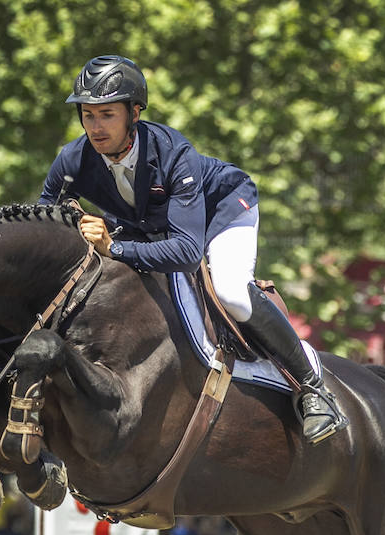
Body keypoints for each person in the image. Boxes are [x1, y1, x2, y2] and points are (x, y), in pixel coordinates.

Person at [39, 55, 346, 444]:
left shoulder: (172, 153)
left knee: (231, 292)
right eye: (88, 115)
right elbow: (44, 219)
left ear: (134, 113)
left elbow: (185, 251)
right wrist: (69, 216)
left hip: (223, 210)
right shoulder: (72, 159)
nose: (96, 128)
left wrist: (113, 246)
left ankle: (312, 388)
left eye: (107, 115)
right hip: (148, 224)